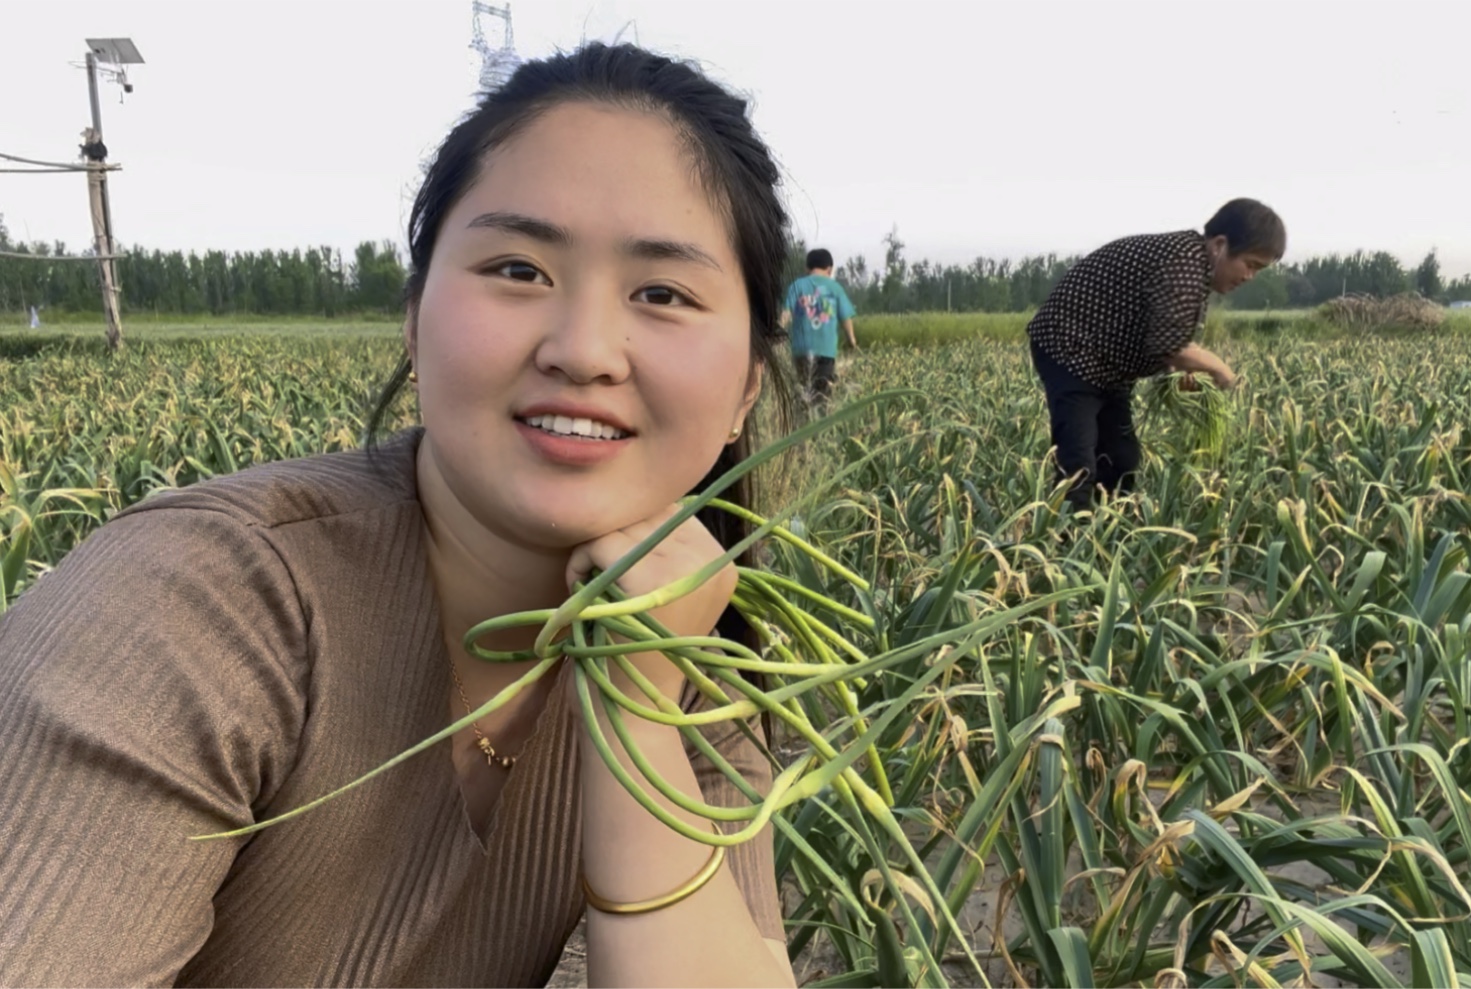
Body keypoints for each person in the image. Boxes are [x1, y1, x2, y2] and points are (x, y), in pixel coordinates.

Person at [0, 43, 799, 988]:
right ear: (414, 320)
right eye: (518, 268)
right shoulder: (184, 611)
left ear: (749, 382)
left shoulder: (688, 651)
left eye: (662, 293)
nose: (584, 351)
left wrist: (638, 700)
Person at [1025, 198, 1285, 510]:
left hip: (1108, 364)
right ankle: (1064, 544)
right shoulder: (1183, 262)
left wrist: (1179, 372)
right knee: (1079, 463)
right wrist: (1219, 370)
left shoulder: (1194, 268)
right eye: (1251, 264)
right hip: (1070, 349)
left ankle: (1108, 536)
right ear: (1219, 244)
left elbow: (1163, 338)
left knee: (1121, 457)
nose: (1249, 276)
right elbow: (1167, 344)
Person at [780, 248, 857, 410]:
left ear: (807, 268)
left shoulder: (797, 285)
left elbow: (787, 313)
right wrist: (852, 340)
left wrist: (779, 330)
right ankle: (818, 429)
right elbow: (845, 318)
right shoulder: (835, 288)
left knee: (804, 390)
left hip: (800, 350)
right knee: (822, 395)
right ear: (830, 269)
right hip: (825, 351)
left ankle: (802, 424)